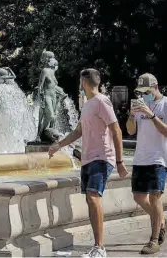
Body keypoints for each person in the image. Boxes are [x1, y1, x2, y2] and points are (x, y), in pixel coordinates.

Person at [49, 68, 128, 258]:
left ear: (83, 82)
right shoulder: (87, 104)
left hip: (102, 158)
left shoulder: (102, 101)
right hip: (88, 159)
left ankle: (100, 247)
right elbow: (78, 132)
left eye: (80, 81)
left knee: (93, 197)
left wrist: (119, 160)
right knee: (90, 199)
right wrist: (58, 145)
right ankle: (96, 246)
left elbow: (116, 130)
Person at [126, 73, 167, 255]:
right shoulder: (140, 103)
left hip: (158, 158)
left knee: (154, 197)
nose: (144, 95)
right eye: (141, 92)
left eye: (147, 91)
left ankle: (154, 240)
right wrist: (131, 115)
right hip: (140, 158)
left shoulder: (165, 104)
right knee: (138, 197)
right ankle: (161, 222)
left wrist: (150, 115)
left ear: (156, 86)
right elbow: (130, 130)